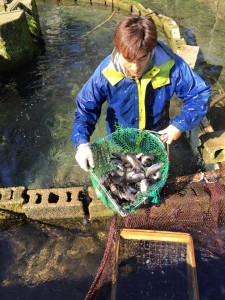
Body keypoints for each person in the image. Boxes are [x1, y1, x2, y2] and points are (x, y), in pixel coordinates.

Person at [72, 14, 211, 171]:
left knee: (153, 174)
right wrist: (82, 143)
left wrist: (179, 125)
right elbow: (85, 108)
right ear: (118, 50)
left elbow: (199, 94)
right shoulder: (105, 74)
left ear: (151, 50)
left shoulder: (171, 66)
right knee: (121, 173)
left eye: (142, 58)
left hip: (158, 136)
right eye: (128, 59)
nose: (135, 68)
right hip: (120, 137)